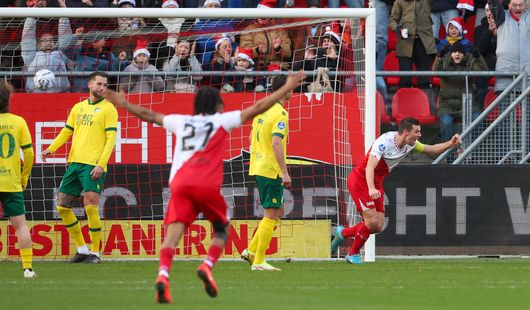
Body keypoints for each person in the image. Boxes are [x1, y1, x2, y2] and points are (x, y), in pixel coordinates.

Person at [103, 71, 304, 303]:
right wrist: (284, 87)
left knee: (173, 235)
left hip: (179, 183)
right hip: (206, 184)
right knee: (222, 230)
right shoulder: (221, 121)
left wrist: (124, 103)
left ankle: (163, 275)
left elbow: (148, 114)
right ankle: (209, 265)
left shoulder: (181, 121)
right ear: (218, 105)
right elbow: (258, 106)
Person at [330, 118, 462, 264]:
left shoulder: (410, 144)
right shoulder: (384, 142)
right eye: (416, 132)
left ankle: (342, 233)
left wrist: (451, 143)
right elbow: (369, 167)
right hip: (361, 181)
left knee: (378, 226)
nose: (419, 135)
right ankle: (353, 254)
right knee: (372, 222)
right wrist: (371, 188)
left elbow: (431, 149)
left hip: (376, 183)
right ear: (406, 132)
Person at [41, 71, 118, 264]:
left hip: (93, 165)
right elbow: (67, 131)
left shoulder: (109, 109)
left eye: (105, 85)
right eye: (99, 84)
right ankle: (82, 250)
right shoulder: (78, 107)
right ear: (90, 84)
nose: (102, 87)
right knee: (62, 206)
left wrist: (101, 164)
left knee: (90, 207)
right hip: (74, 163)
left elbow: (111, 140)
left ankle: (95, 253)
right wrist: (51, 148)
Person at [240, 74, 294, 271]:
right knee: (271, 213)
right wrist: (284, 171)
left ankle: (251, 251)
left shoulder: (263, 109)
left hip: (258, 165)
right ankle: (259, 261)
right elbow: (276, 142)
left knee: (278, 211)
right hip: (270, 168)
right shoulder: (280, 113)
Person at [488, 0, 530, 159]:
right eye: (514, 4)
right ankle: (503, 156)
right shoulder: (501, 17)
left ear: (526, 5)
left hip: (529, 78)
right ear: (508, 6)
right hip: (505, 77)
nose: (517, 8)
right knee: (504, 119)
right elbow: (493, 2)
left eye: (520, 4)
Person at [0, 81, 36, 278]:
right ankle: (28, 268)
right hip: (11, 181)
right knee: (20, 225)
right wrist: (24, 177)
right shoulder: (18, 121)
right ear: (8, 99)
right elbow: (29, 154)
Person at [433, 41, 487, 143]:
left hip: (468, 103)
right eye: (454, 52)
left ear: (464, 54)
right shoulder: (445, 62)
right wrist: (439, 57)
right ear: (451, 54)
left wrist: (478, 56)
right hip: (447, 103)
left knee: (477, 119)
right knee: (446, 122)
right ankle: (448, 154)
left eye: (460, 52)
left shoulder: (470, 61)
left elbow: (483, 71)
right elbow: (435, 71)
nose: (457, 54)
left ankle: (474, 153)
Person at [389, 0, 436, 88]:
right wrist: (397, 29)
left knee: (424, 81)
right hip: (405, 42)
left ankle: (425, 100)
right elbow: (392, 20)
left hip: (424, 42)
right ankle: (404, 100)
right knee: (405, 80)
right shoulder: (399, 1)